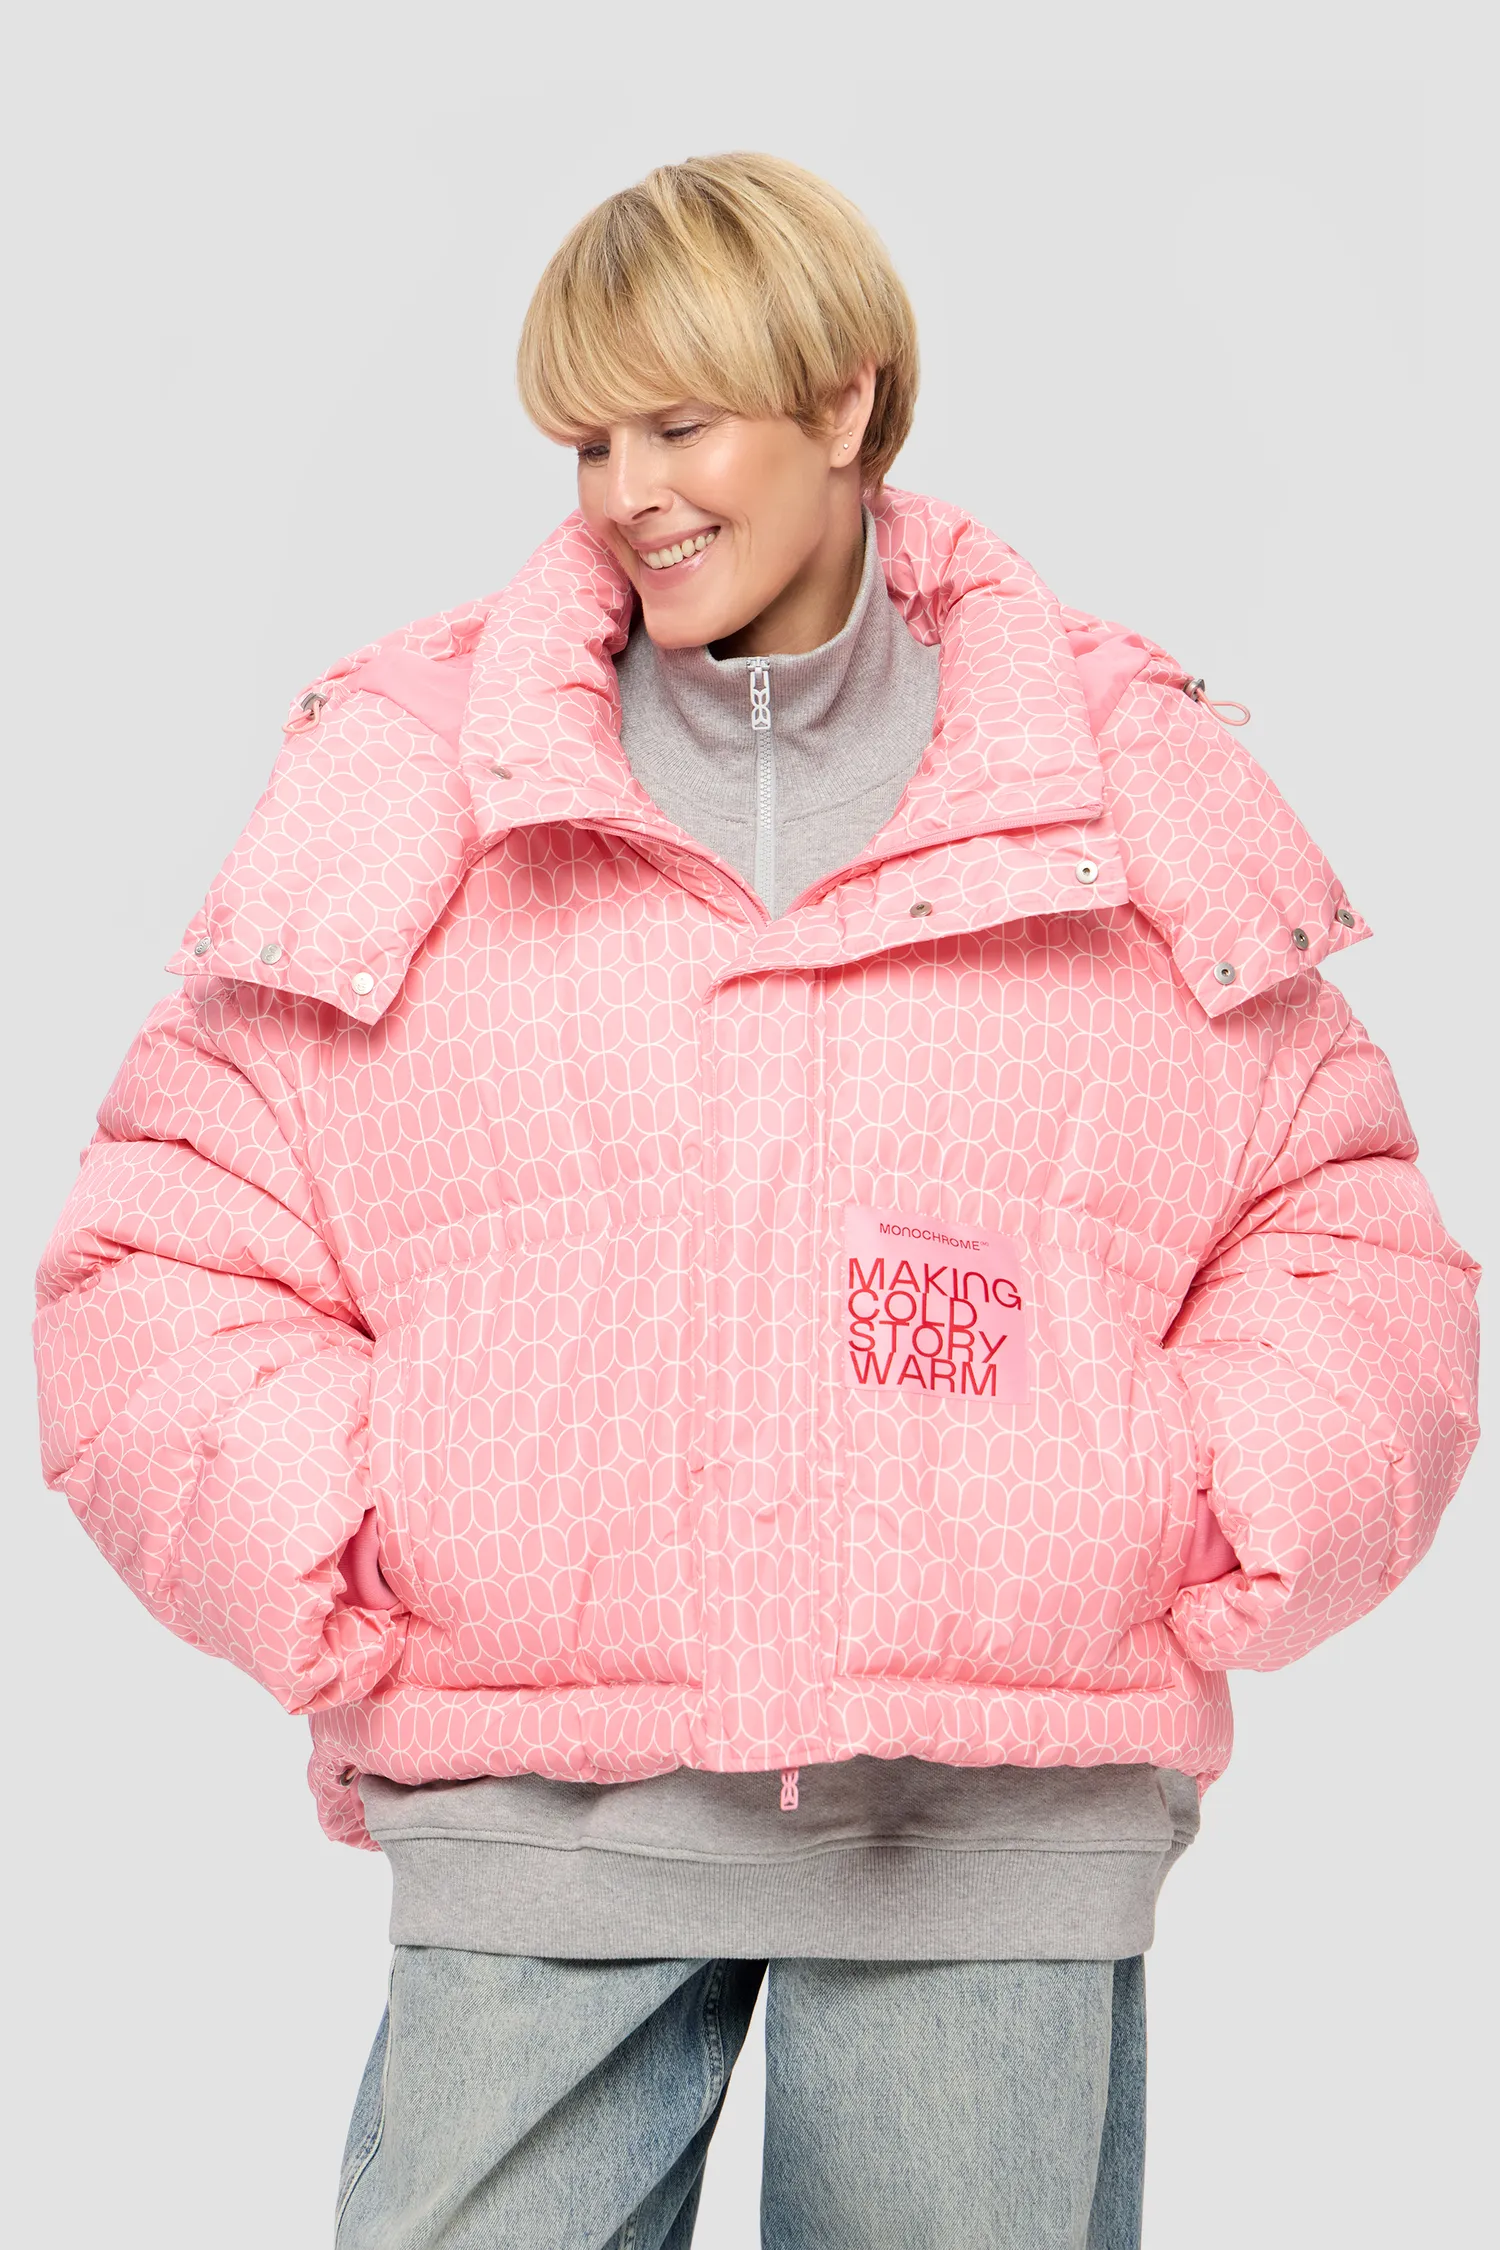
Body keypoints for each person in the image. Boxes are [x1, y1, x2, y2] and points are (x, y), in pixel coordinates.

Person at [34, 153, 1479, 2250]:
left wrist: (1179, 1498)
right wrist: (364, 1519)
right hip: (542, 1796)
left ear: (848, 402)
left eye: (680, 422)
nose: (630, 493)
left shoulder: (1111, 792)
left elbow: (1336, 1219)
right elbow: (168, 1241)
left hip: (991, 1813)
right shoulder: (417, 792)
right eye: (589, 439)